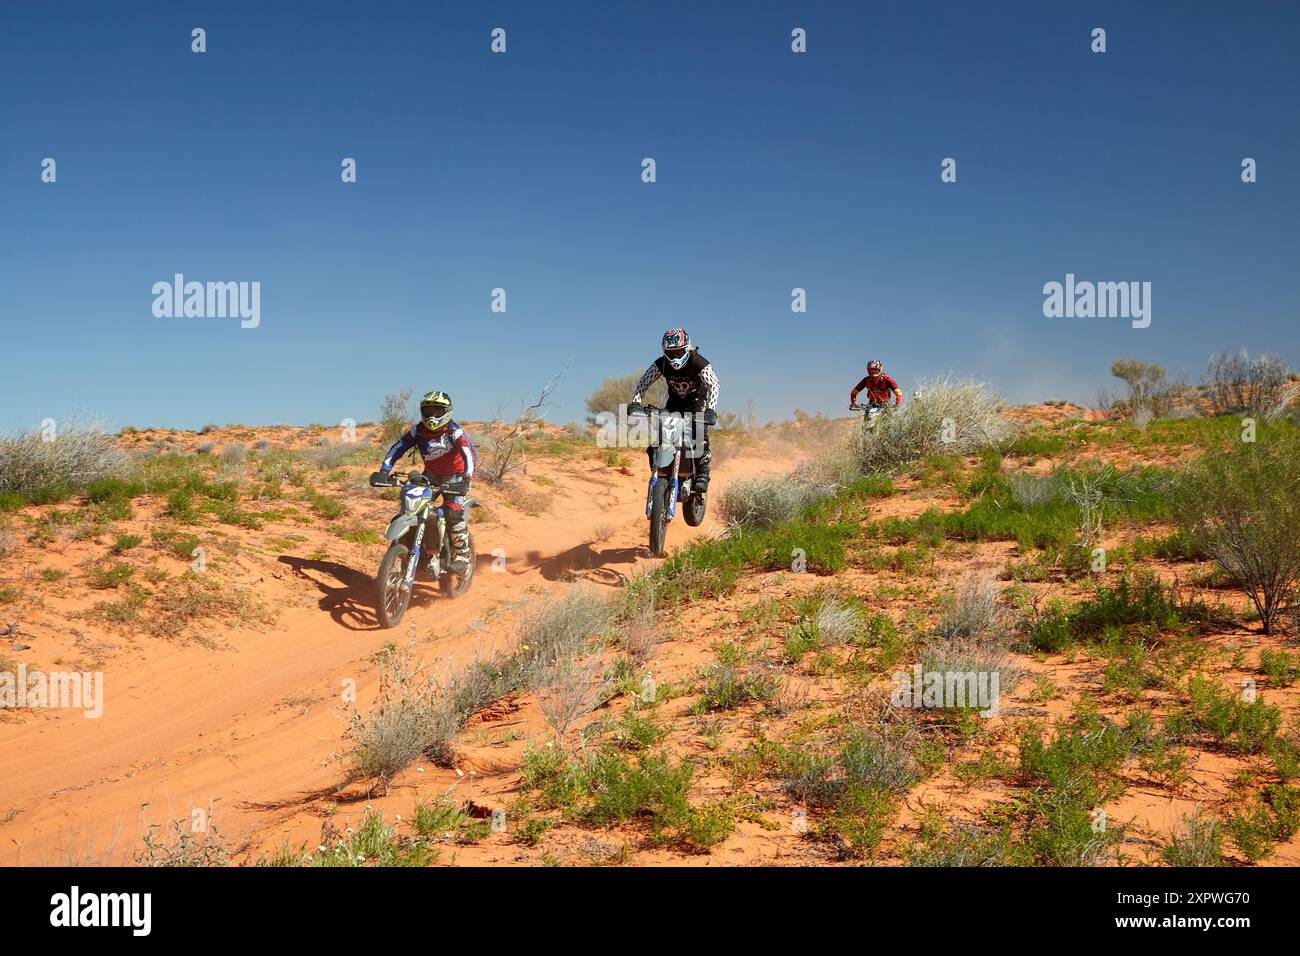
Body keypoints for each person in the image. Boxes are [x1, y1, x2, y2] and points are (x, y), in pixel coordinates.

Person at [374, 390, 476, 573]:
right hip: (431, 475)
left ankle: (462, 555)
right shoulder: (419, 431)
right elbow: (398, 448)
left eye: (437, 411)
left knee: (453, 513)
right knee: (413, 507)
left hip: (456, 477)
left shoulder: (454, 431)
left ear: (447, 412)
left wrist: (466, 479)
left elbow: (469, 454)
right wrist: (384, 472)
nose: (432, 416)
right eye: (428, 411)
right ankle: (414, 550)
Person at [630, 328, 720, 505]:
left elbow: (714, 384)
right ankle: (661, 477)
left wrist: (710, 409)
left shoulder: (698, 362)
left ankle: (702, 475)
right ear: (665, 352)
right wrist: (636, 402)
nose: (675, 356)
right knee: (656, 444)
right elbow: (643, 381)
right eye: (671, 353)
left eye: (678, 352)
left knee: (698, 435)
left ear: (687, 348)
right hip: (674, 405)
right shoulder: (662, 364)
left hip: (696, 403)